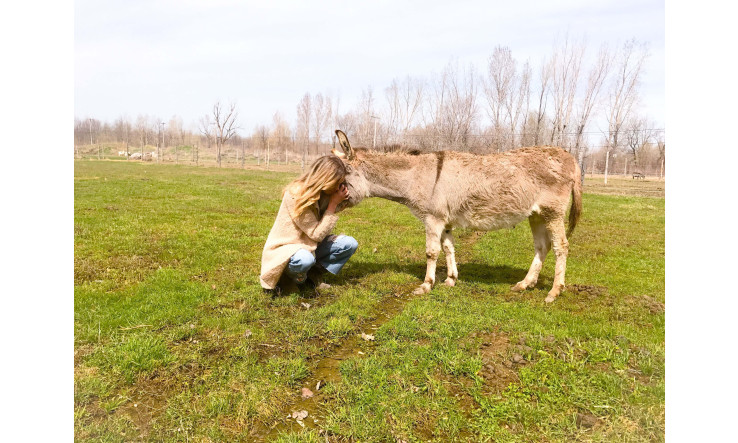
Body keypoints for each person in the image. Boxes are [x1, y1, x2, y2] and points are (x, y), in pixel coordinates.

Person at [260, 155, 358, 294]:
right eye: (336, 183)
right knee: (305, 259)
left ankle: (312, 275)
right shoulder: (296, 195)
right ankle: (288, 279)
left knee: (349, 244)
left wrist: (338, 201)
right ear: (326, 179)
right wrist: (333, 204)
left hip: (309, 246)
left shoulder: (322, 193)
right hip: (288, 248)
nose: (338, 187)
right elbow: (316, 234)